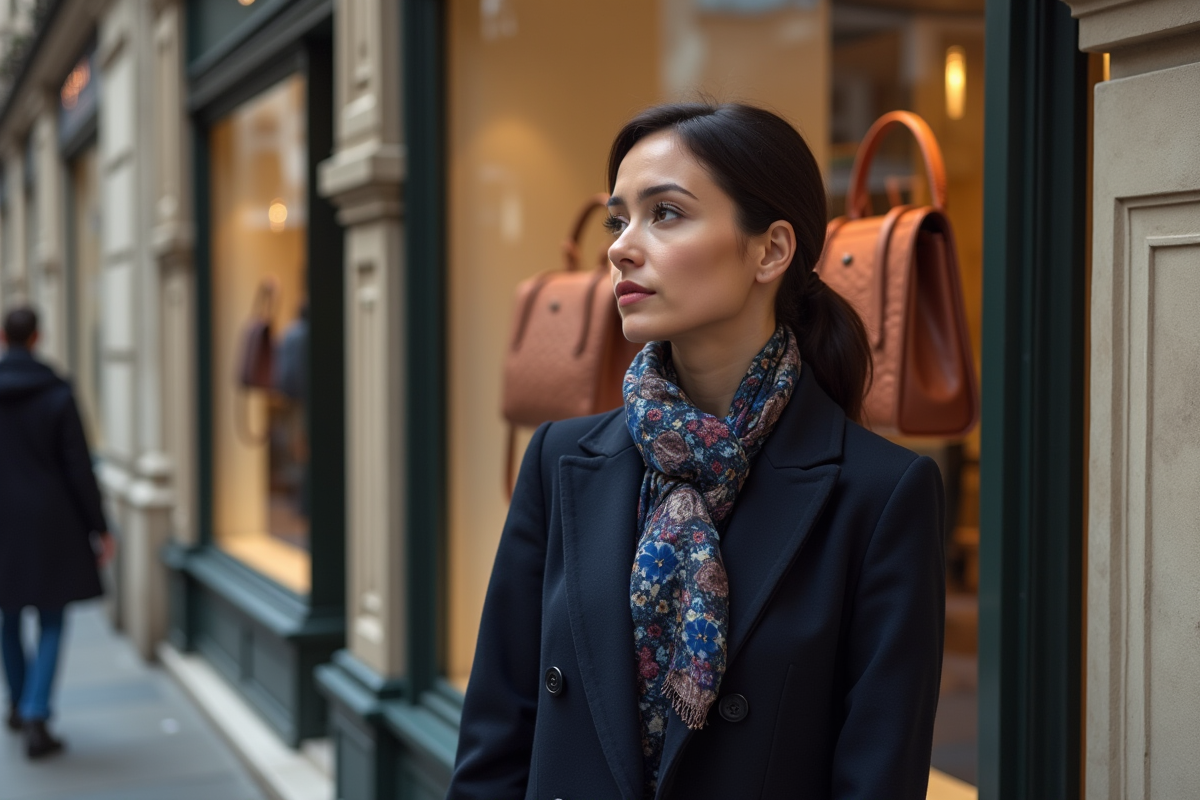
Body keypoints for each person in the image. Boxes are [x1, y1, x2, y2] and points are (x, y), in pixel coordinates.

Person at [447, 102, 945, 800]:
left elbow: (878, 777)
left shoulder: (879, 495)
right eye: (618, 220)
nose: (621, 247)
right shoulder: (560, 460)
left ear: (771, 250)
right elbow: (497, 739)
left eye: (666, 213)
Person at [0, 306, 115, 759]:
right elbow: (78, 468)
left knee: (8, 616)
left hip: (3, 522)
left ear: (3, 338)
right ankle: (36, 712)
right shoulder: (58, 392)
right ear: (38, 337)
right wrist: (99, 527)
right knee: (51, 618)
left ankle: (19, 703)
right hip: (51, 522)